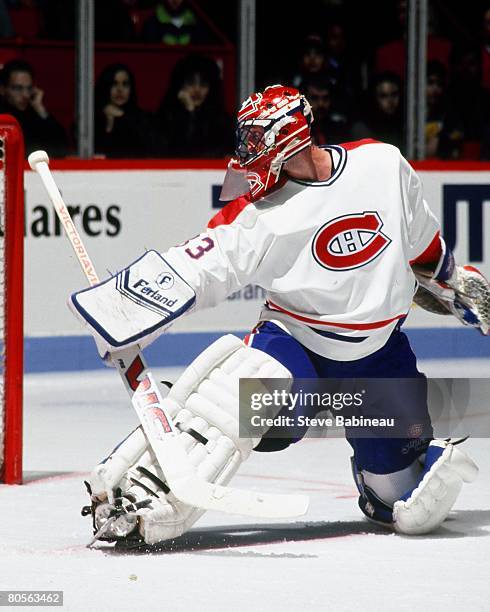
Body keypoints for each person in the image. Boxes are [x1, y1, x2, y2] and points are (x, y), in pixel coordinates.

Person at [73, 85, 485, 547]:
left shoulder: (383, 165)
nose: (245, 154)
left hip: (379, 354)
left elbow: (422, 243)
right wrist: (123, 306)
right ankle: (142, 487)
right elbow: (199, 263)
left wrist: (451, 282)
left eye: (254, 142)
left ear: (287, 140)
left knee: (402, 498)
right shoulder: (258, 215)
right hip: (295, 342)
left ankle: (381, 483)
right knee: (239, 400)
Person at [156, 54, 233, 157]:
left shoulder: (221, 121)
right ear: (180, 85)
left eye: (203, 84)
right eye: (191, 83)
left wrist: (193, 115)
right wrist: (189, 113)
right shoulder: (165, 118)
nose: (197, 90)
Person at [0, 59, 67, 157]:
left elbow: (62, 148)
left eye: (29, 88)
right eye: (18, 88)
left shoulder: (34, 115)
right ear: (2, 89)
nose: (25, 95)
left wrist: (40, 109)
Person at [94, 63, 156, 158]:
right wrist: (109, 123)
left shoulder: (143, 120)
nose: (120, 90)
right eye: (114, 84)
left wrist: (123, 116)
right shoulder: (90, 120)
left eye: (125, 84)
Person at [349, 72, 404, 152]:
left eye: (394, 94)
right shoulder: (362, 129)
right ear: (374, 98)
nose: (390, 101)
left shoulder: (406, 125)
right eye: (383, 96)